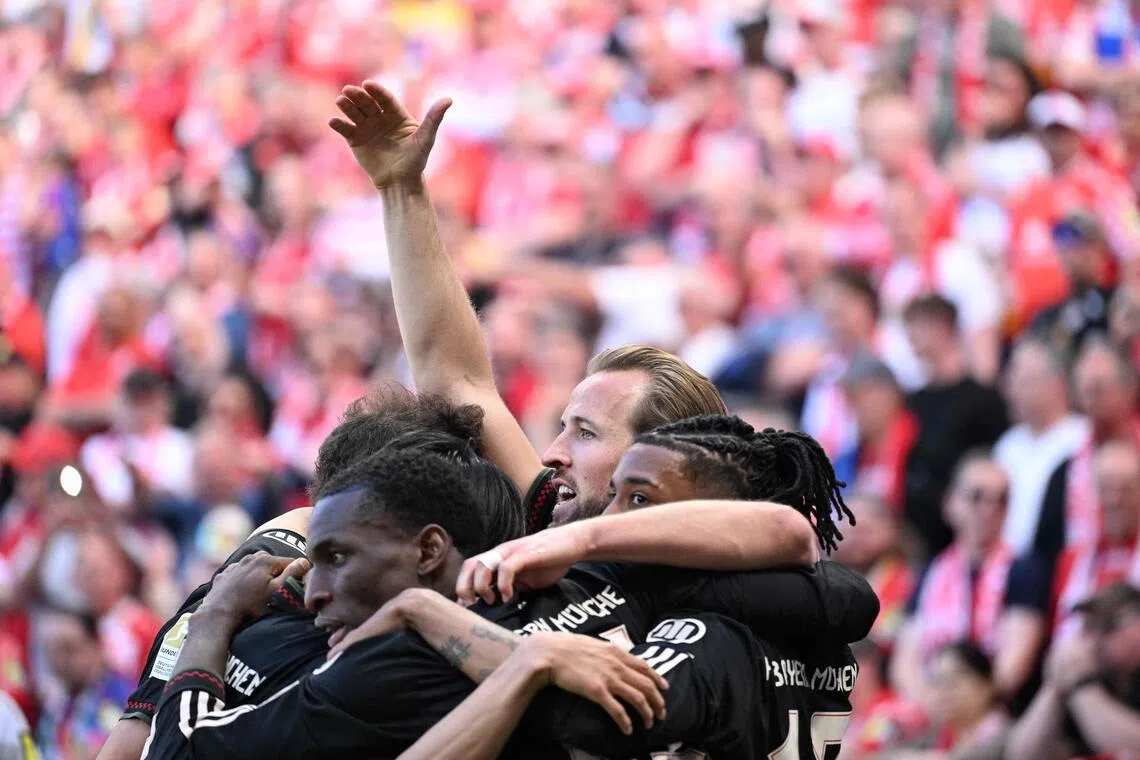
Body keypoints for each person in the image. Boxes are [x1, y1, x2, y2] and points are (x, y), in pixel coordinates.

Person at [142, 435, 875, 758]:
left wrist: (209, 617)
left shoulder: (699, 627)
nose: (556, 460)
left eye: (635, 495)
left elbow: (595, 714)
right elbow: (825, 571)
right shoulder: (640, 580)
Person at [328, 80, 727, 532]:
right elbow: (456, 380)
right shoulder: (552, 523)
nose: (552, 452)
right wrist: (401, 188)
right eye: (565, 428)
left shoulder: (723, 591)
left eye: (586, 433)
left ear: (662, 464)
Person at [97, 388, 528, 760]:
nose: (314, 587)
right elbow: (134, 737)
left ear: (427, 547)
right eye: (315, 544)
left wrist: (214, 618)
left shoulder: (373, 676)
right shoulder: (263, 568)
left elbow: (180, 750)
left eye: (338, 554)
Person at [891, 452, 1048, 706]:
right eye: (976, 497)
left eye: (1000, 501)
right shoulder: (931, 571)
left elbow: (1014, 666)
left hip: (993, 711)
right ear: (949, 503)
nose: (988, 510)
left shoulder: (1024, 570)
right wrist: (930, 704)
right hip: (930, 708)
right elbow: (905, 663)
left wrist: (968, 706)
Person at [903, 295, 1009, 558]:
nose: (910, 336)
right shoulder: (912, 401)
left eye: (917, 325)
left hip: (964, 529)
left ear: (942, 327)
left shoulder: (982, 398)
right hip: (917, 529)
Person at [1008, 583, 1140, 760]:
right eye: (1088, 625)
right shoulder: (1092, 675)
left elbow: (1130, 742)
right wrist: (1054, 687)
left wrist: (1082, 685)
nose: (1093, 638)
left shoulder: (1085, 682)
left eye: (1107, 625)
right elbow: (1023, 754)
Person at [995, 338, 1089, 558]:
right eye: (1012, 381)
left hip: (1061, 559)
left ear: (1057, 383)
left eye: (1024, 381)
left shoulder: (1081, 437)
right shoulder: (1007, 445)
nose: (1013, 390)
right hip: (1008, 569)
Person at [1052, 441, 1140, 642]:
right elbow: (1061, 632)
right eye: (1106, 489)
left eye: (1125, 489)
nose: (1114, 500)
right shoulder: (1071, 560)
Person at [37, 609, 135, 760]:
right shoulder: (56, 706)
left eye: (68, 648)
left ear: (96, 645)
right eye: (51, 651)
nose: (58, 660)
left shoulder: (122, 697)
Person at [1028, 212, 1116, 364]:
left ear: (1099, 249)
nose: (1068, 253)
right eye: (1062, 245)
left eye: (1077, 244)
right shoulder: (1049, 315)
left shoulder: (1118, 303)